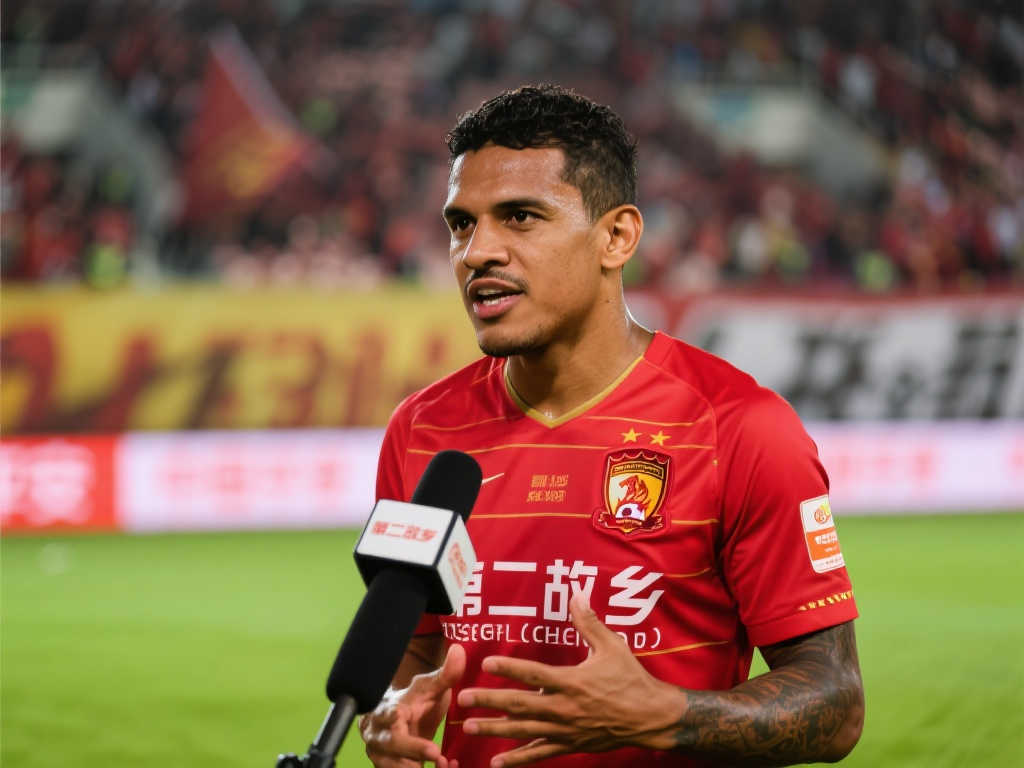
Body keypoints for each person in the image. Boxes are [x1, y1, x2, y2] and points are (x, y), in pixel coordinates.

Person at [360, 84, 863, 768]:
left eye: (520, 217)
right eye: (461, 224)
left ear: (617, 237)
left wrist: (666, 715)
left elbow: (836, 701)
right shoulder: (422, 432)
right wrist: (389, 707)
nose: (477, 252)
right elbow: (413, 642)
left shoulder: (740, 430)